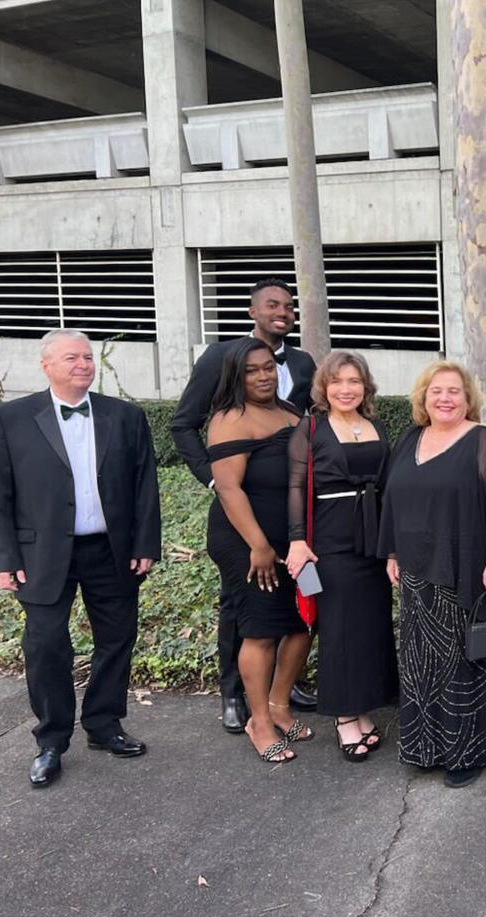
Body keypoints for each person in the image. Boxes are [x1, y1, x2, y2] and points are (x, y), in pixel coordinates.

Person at [0, 329, 161, 787]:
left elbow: (145, 486)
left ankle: (103, 725)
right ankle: (51, 740)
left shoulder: (125, 416)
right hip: (40, 553)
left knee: (117, 638)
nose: (83, 364)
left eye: (87, 356)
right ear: (46, 365)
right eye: (70, 357)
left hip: (111, 550)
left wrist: (145, 544)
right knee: (45, 647)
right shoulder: (11, 418)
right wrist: (4, 557)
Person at [169, 277, 318, 733]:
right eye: (272, 304)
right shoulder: (222, 357)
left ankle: (281, 695)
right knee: (245, 609)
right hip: (243, 519)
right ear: (252, 311)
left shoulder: (302, 361)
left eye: (289, 306)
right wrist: (215, 479)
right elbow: (183, 424)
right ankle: (236, 697)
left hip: (291, 524)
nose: (283, 311)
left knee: (298, 611)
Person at [378, 361, 486, 789]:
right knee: (420, 662)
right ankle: (425, 747)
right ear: (423, 397)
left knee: (462, 661)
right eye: (436, 390)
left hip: (464, 567)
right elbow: (392, 500)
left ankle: (465, 752)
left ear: (467, 398)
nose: (445, 398)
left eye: (454, 391)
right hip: (416, 572)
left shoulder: (481, 440)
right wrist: (393, 552)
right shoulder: (409, 439)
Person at [286, 352, 398, 763]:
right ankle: (344, 716)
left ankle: (364, 707)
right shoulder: (310, 427)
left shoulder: (376, 425)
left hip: (374, 537)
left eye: (354, 381)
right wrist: (297, 541)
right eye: (337, 382)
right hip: (331, 540)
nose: (346, 389)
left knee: (371, 626)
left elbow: (389, 484)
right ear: (324, 388)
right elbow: (296, 487)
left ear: (365, 386)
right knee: (340, 629)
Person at [205, 338, 311, 764]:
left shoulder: (289, 412)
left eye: (268, 367)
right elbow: (229, 490)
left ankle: (279, 705)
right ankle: (259, 721)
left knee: (303, 622)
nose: (264, 375)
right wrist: (259, 545)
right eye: (253, 370)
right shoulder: (230, 419)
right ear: (236, 375)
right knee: (262, 629)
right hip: (247, 540)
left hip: (294, 538)